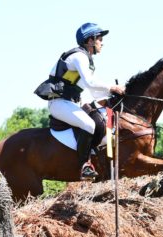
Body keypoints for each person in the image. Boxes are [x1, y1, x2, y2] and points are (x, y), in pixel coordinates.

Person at [35, 22, 125, 180]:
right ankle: (85, 165)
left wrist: (109, 97)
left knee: (101, 121)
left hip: (72, 102)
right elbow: (91, 83)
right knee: (89, 124)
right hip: (58, 103)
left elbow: (90, 89)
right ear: (90, 40)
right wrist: (112, 87)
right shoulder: (79, 57)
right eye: (99, 39)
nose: (102, 42)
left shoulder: (87, 59)